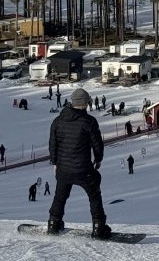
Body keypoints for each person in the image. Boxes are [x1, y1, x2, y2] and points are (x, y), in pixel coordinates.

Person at [48, 88, 112, 240]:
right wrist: (98, 159)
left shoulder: (57, 121)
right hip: (83, 169)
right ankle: (98, 227)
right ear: (84, 104)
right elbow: (97, 144)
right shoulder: (89, 122)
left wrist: (55, 163)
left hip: (63, 169)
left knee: (60, 196)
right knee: (94, 195)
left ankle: (53, 223)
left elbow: (52, 144)